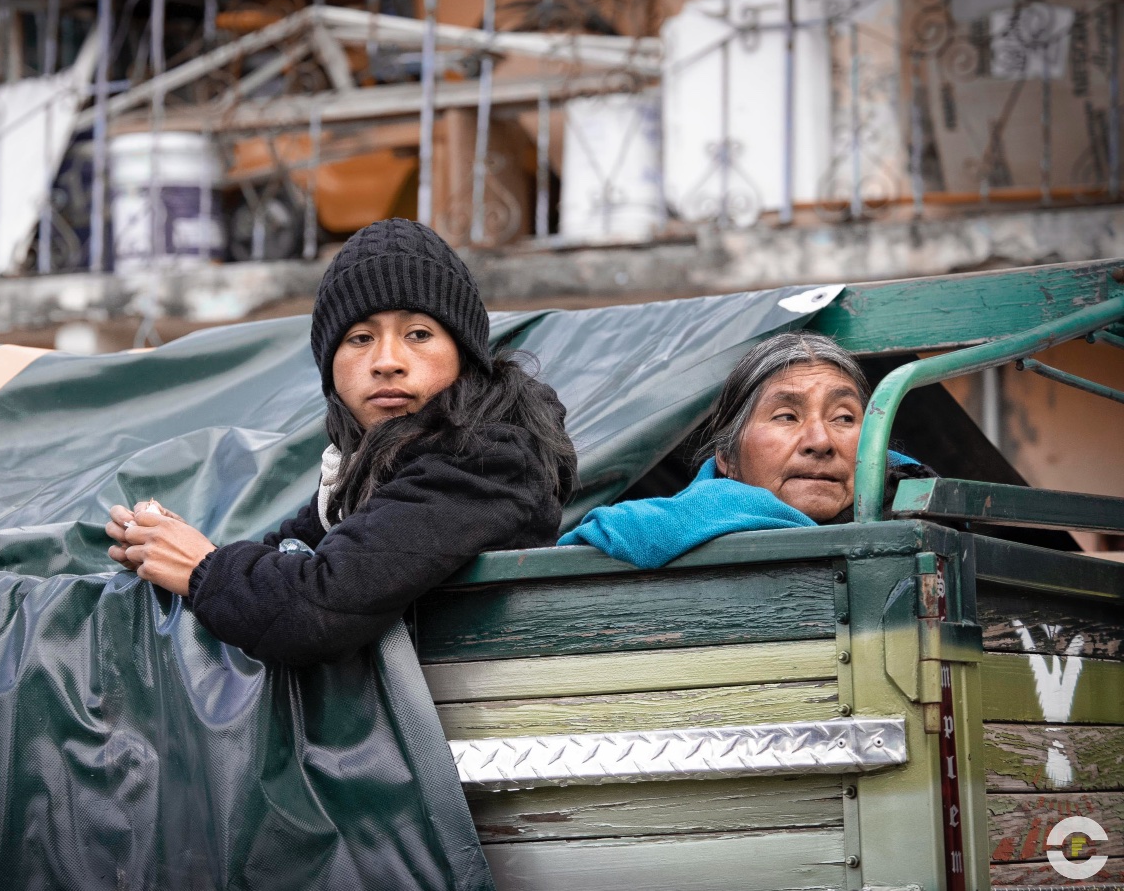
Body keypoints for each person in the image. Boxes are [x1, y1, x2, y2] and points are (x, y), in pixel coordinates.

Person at [106, 218, 577, 665]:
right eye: (359, 338)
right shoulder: (367, 467)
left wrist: (200, 567)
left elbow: (317, 609)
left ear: (465, 357)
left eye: (418, 334)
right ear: (330, 368)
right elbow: (288, 550)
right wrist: (169, 546)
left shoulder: (485, 463)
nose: (387, 361)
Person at [559, 331, 930, 569]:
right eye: (786, 416)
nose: (820, 441)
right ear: (728, 458)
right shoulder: (651, 529)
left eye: (844, 418)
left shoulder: (928, 518)